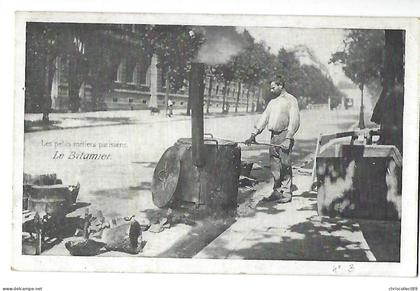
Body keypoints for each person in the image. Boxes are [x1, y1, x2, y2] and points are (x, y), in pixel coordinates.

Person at [245, 76, 300, 203]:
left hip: (284, 135)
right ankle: (277, 191)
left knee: (285, 164)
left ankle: (286, 193)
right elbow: (264, 118)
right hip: (273, 137)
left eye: (273, 87)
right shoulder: (273, 102)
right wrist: (254, 134)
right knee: (275, 165)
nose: (271, 90)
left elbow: (294, 120)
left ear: (281, 85)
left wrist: (288, 137)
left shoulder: (291, 100)